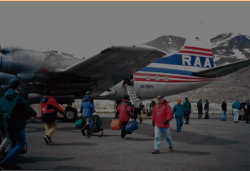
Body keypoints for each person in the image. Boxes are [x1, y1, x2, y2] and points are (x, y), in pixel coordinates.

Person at [0, 78, 37, 170]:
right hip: (17, 125)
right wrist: (35, 114)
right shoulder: (18, 98)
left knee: (12, 143)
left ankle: (12, 165)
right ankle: (7, 160)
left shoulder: (3, 98)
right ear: (18, 87)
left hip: (7, 125)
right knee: (21, 144)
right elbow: (27, 108)